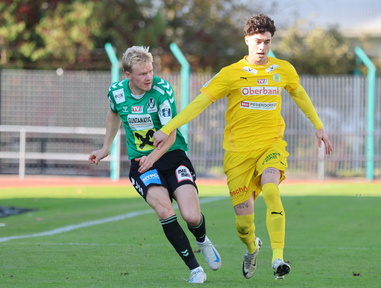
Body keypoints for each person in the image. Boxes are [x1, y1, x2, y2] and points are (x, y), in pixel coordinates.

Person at [152, 14, 333, 280]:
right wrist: (168, 127)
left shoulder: (283, 69)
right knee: (244, 224)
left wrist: (318, 125)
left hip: (271, 146)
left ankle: (278, 258)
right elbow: (199, 104)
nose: (262, 47)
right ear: (247, 39)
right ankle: (252, 248)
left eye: (267, 42)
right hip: (238, 155)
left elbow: (299, 93)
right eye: (258, 41)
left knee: (272, 189)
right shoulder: (231, 74)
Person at [88, 46, 221, 284]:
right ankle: (195, 269)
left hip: (172, 156)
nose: (149, 77)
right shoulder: (116, 92)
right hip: (142, 164)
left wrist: (153, 157)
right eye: (142, 74)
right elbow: (113, 115)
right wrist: (105, 147)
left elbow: (169, 132)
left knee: (191, 216)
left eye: (150, 71)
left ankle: (202, 240)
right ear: (128, 75)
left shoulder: (162, 90)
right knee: (164, 210)